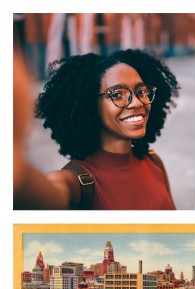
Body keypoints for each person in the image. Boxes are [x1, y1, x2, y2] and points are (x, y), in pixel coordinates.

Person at [17, 48, 179, 210]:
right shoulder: (74, 183)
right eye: (117, 95)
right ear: (90, 106)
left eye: (141, 91)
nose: (137, 102)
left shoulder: (154, 162)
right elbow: (37, 194)